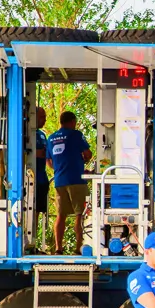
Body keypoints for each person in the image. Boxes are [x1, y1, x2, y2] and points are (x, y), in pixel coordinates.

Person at [47, 110, 91, 254]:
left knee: (61, 215)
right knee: (81, 213)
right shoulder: (75, 135)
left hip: (59, 180)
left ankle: (59, 248)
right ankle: (78, 248)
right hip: (76, 179)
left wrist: (60, 167)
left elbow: (49, 161)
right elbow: (88, 154)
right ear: (72, 122)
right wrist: (82, 160)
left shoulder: (51, 138)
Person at [34, 106, 50, 247]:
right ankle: (29, 241)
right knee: (31, 211)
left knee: (39, 211)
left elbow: (46, 155)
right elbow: (35, 153)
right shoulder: (27, 133)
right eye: (42, 117)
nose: (44, 120)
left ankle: (36, 242)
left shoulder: (43, 135)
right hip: (32, 178)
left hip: (42, 177)